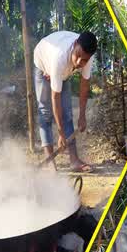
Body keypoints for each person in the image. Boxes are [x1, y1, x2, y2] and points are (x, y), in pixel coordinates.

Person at [33, 30, 97, 172]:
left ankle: (74, 161)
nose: (80, 62)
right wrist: (61, 134)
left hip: (61, 69)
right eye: (78, 56)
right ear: (75, 45)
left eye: (85, 59)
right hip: (43, 58)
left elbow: (84, 86)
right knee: (45, 112)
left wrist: (82, 116)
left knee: (67, 113)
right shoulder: (60, 58)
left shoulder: (87, 56)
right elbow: (55, 97)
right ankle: (50, 163)